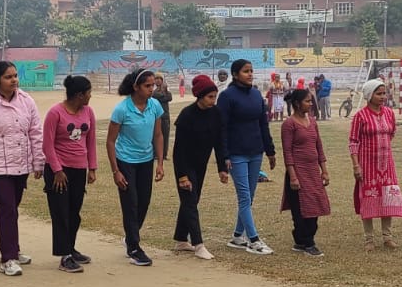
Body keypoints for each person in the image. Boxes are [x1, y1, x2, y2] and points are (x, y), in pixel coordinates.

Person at [0, 61, 44, 277]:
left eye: (15, 76)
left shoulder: (26, 100)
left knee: (14, 208)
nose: (13, 80)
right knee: (7, 209)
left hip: (20, 164)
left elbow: (35, 132)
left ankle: (13, 248)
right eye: (8, 77)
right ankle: (8, 257)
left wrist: (38, 161)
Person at [216, 59, 277, 255]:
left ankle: (237, 236)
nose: (250, 74)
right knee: (244, 197)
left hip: (256, 152)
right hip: (236, 154)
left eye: (251, 71)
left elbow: (263, 124)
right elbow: (221, 129)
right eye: (245, 71)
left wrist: (270, 151)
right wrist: (224, 157)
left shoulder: (256, 95)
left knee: (249, 198)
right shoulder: (226, 97)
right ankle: (253, 240)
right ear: (235, 74)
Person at [107, 68, 166, 266]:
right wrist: (116, 171)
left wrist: (159, 163)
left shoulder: (155, 105)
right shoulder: (122, 109)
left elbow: (158, 135)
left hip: (145, 161)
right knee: (130, 203)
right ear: (136, 87)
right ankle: (134, 247)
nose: (152, 89)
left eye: (153, 86)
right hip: (125, 161)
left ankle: (131, 236)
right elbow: (110, 141)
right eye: (147, 86)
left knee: (144, 202)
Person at [43, 75, 97, 273]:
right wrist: (57, 170)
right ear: (79, 95)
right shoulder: (55, 113)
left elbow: (90, 141)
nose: (91, 96)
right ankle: (64, 256)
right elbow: (47, 145)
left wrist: (92, 167)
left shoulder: (88, 112)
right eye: (89, 92)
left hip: (78, 170)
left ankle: (71, 248)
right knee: (61, 214)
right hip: (59, 171)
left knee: (74, 213)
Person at [171, 74, 229, 261]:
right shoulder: (186, 116)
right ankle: (198, 244)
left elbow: (220, 142)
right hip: (185, 164)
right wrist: (182, 176)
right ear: (200, 96)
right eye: (210, 97)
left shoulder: (216, 114)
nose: (213, 100)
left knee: (192, 201)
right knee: (189, 201)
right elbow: (178, 150)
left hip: (201, 164)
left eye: (215, 96)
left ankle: (181, 239)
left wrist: (222, 168)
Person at [349, 79, 402, 249]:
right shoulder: (360, 116)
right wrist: (356, 165)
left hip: (387, 165)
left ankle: (387, 237)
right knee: (368, 199)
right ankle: (369, 239)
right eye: (378, 94)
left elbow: (391, 132)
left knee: (388, 198)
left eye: (384, 93)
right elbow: (353, 142)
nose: (382, 97)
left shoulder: (389, 113)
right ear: (368, 95)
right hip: (367, 165)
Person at [281, 88, 330, 256]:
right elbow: (287, 152)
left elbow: (319, 147)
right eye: (307, 101)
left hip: (313, 173)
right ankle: (308, 243)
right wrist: (293, 177)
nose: (310, 104)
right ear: (296, 103)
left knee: (315, 207)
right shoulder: (289, 124)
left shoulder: (313, 122)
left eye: (311, 101)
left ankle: (301, 240)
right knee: (301, 209)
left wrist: (324, 171)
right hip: (298, 173)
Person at [152, 73, 173, 147]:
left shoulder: (166, 90)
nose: (158, 81)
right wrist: (163, 94)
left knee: (165, 135)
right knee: (155, 136)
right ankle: (155, 154)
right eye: (156, 79)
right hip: (155, 116)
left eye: (159, 79)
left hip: (165, 116)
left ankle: (164, 154)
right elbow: (154, 95)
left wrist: (162, 94)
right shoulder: (152, 90)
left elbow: (170, 97)